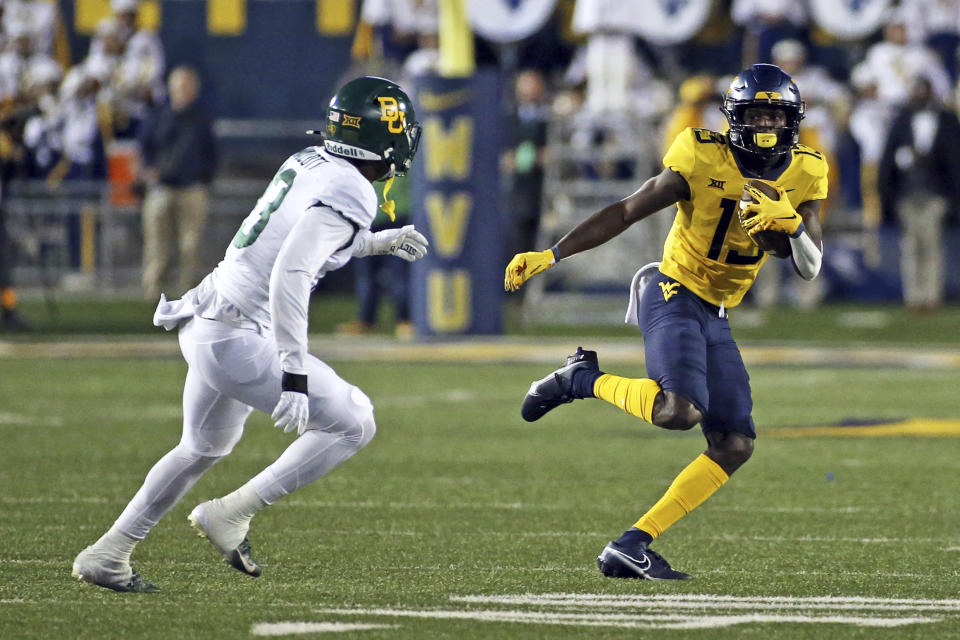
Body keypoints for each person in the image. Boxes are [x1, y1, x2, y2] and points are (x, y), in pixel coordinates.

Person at [72, 76, 428, 592]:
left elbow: (292, 238)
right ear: (383, 137)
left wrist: (373, 243)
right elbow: (291, 272)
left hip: (208, 319)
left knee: (201, 448)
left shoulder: (310, 161)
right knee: (355, 421)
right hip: (239, 334)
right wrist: (294, 368)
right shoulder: (352, 188)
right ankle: (231, 513)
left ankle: (108, 553)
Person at [505, 64, 827, 580]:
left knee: (735, 444)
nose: (767, 124)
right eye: (757, 112)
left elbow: (809, 268)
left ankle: (632, 544)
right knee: (679, 410)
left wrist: (790, 226)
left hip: (717, 310)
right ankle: (580, 379)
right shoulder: (701, 153)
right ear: (734, 119)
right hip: (672, 287)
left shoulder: (806, 170)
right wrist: (554, 253)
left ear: (792, 119)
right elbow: (628, 210)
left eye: (776, 113)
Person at [878, 76, 960, 314]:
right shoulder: (902, 120)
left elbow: (954, 160)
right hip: (908, 192)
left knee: (932, 245)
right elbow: (888, 158)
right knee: (912, 247)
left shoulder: (946, 120)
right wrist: (888, 194)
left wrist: (954, 195)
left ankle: (931, 297)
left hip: (935, 192)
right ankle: (914, 298)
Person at [138, 66, 217, 300]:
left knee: (190, 246)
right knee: (157, 244)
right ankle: (153, 293)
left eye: (187, 86)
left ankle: (187, 293)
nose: (183, 91)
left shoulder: (201, 119)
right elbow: (145, 146)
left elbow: (211, 153)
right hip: (162, 186)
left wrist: (202, 177)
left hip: (191, 187)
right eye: (179, 85)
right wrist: (149, 170)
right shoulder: (160, 115)